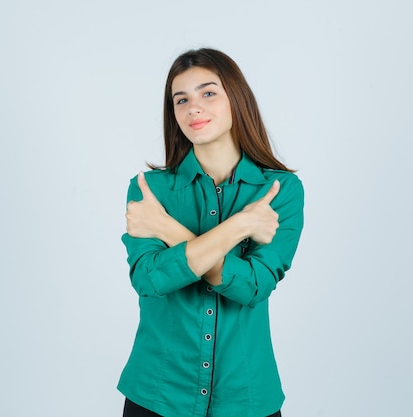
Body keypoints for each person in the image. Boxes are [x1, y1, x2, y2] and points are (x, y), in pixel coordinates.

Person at [119, 48, 304, 417]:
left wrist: (167, 229)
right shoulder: (149, 189)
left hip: (245, 398)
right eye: (181, 99)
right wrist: (241, 225)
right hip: (157, 395)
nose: (193, 108)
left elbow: (251, 286)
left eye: (208, 93)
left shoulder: (281, 192)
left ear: (236, 98)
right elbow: (150, 280)